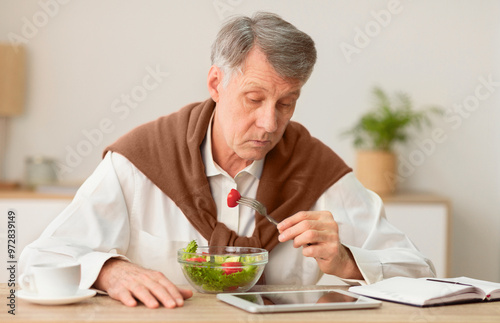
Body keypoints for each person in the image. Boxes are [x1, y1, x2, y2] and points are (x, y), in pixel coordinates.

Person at [19, 12, 435, 309]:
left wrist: (346, 259)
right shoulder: (138, 160)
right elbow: (38, 261)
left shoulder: (319, 173)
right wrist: (108, 270)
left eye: (287, 103)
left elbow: (420, 273)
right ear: (216, 83)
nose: (270, 123)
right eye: (254, 99)